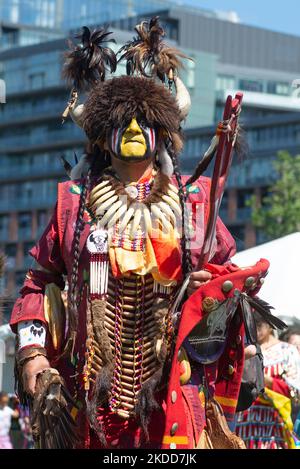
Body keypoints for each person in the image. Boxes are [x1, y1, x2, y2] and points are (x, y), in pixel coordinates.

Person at [9, 18, 272, 449]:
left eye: (142, 121)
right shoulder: (74, 203)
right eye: (122, 121)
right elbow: (37, 284)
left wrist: (214, 293)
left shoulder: (193, 202)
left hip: (174, 390)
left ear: (161, 134)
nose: (132, 130)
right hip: (91, 398)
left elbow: (232, 282)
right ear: (101, 135)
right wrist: (33, 353)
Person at [236, 312, 300, 449]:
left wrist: (265, 380)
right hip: (243, 423)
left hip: (274, 425)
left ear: (270, 326)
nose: (256, 329)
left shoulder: (287, 351)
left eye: (259, 325)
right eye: (252, 324)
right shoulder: (244, 350)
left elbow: (295, 392)